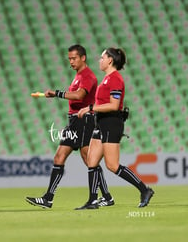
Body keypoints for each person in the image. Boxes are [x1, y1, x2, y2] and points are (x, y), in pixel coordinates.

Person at [26, 44, 114, 209]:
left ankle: (107, 196)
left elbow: (80, 96)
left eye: (74, 58)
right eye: (69, 59)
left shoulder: (88, 76)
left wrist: (57, 93)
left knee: (89, 159)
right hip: (73, 122)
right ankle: (48, 198)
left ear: (83, 58)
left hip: (84, 120)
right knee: (59, 157)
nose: (71, 62)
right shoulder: (78, 76)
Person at [75, 48, 154, 209]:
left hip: (112, 123)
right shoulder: (106, 79)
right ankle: (92, 200)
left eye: (102, 57)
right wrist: (92, 110)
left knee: (112, 165)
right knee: (91, 161)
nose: (100, 60)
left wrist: (91, 108)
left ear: (110, 60)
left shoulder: (115, 79)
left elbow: (114, 105)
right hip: (101, 122)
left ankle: (144, 190)